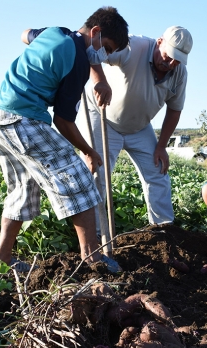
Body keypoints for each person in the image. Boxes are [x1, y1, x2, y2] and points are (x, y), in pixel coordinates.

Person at [0, 7, 129, 272]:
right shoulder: (78, 61)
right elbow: (63, 121)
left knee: (22, 191)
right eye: (106, 48)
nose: (104, 57)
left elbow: (25, 34)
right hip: (22, 120)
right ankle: (93, 258)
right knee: (80, 181)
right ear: (95, 32)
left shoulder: (55, 33)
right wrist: (88, 151)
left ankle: (0, 261)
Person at [77, 26, 193, 227]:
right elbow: (92, 52)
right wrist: (100, 81)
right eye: (168, 56)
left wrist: (161, 146)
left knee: (158, 173)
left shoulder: (179, 73)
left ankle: (163, 229)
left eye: (178, 60)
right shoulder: (133, 46)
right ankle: (94, 233)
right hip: (103, 117)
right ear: (159, 42)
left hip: (139, 126)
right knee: (97, 175)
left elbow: (174, 110)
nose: (171, 63)